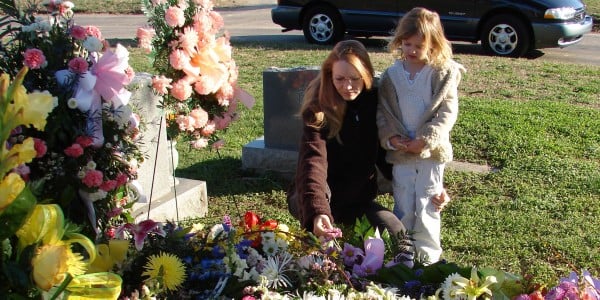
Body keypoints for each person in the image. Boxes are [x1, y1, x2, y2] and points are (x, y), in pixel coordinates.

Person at [287, 39, 450, 243]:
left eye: (355, 79)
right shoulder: (318, 108)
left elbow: (390, 154)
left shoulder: (375, 100)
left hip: (356, 198)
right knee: (322, 237)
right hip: (315, 194)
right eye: (339, 79)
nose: (347, 87)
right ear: (330, 75)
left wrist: (430, 187)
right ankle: (320, 224)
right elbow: (313, 163)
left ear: (366, 74)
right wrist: (318, 211)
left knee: (397, 234)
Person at [376, 7, 465, 263]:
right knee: (403, 202)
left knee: (428, 202)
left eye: (419, 45)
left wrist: (426, 140)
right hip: (402, 152)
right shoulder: (393, 76)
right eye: (407, 44)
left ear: (434, 44)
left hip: (430, 154)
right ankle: (403, 255)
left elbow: (447, 112)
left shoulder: (441, 73)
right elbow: (383, 113)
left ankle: (427, 258)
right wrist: (392, 139)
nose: (412, 50)